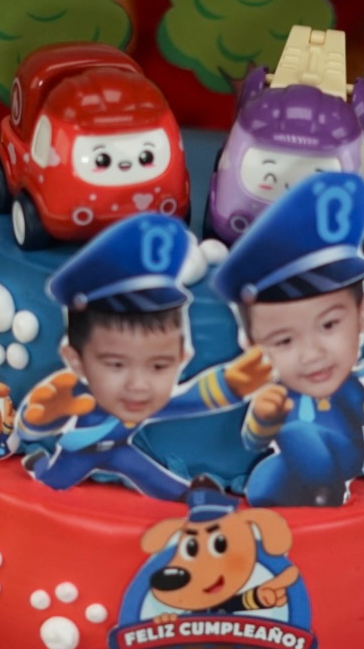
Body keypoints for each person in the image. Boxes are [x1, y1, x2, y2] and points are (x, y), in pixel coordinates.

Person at [17, 214, 270, 500]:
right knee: (54, 479)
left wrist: (231, 384)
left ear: (182, 358)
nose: (138, 384)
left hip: (121, 450)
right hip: (80, 452)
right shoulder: (75, 393)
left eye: (159, 366)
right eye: (116, 365)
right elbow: (31, 426)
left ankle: (195, 498)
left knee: (158, 481)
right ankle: (38, 465)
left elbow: (191, 399)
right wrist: (40, 418)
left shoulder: (147, 399)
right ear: (75, 359)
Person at [212, 173, 364, 507]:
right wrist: (263, 418)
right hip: (293, 465)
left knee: (294, 431)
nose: (311, 354)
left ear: (363, 313)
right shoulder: (278, 393)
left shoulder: (347, 386)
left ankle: (327, 490)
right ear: (252, 344)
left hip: (342, 457)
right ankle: (300, 496)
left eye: (329, 325)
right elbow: (254, 441)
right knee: (264, 481)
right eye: (284, 341)